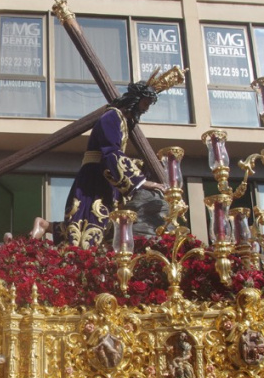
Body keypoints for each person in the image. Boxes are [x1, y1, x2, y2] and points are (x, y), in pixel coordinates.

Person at [30, 78, 167, 249]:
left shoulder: (122, 121)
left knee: (92, 222)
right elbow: (110, 153)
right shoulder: (112, 117)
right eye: (145, 103)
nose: (145, 109)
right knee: (90, 223)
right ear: (135, 99)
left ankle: (45, 225)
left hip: (107, 177)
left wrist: (142, 168)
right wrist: (141, 181)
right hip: (95, 177)